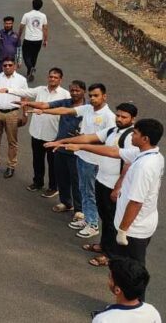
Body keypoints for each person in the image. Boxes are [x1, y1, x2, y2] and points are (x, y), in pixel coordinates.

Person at [58, 119, 163, 269]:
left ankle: (129, 291)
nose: (132, 135)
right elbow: (113, 151)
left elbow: (136, 202)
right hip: (134, 226)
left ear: (145, 139)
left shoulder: (144, 166)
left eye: (135, 133)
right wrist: (80, 146)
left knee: (132, 271)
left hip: (134, 230)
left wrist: (122, 230)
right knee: (123, 270)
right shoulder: (147, 154)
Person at [44, 103, 137, 264]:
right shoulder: (112, 131)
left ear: (133, 119)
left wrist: (118, 187)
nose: (119, 119)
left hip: (114, 185)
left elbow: (128, 164)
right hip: (102, 179)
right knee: (105, 218)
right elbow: (87, 138)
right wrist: (62, 141)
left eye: (124, 117)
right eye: (118, 115)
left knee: (112, 221)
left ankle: (109, 255)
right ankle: (104, 245)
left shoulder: (130, 137)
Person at [28, 84, 115, 238]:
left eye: (96, 95)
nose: (93, 98)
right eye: (91, 96)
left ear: (104, 96)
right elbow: (65, 110)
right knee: (82, 189)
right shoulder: (88, 108)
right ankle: (87, 219)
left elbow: (106, 141)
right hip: (81, 156)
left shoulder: (110, 117)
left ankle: (93, 224)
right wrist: (44, 111)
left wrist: (75, 144)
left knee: (89, 193)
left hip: (93, 161)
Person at [1, 68, 70, 197]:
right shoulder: (40, 90)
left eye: (55, 77)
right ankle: (38, 183)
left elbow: (71, 111)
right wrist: (8, 90)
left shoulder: (65, 95)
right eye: (50, 76)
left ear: (61, 79)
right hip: (37, 133)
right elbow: (25, 91)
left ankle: (53, 187)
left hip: (53, 135)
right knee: (37, 160)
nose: (52, 79)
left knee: (53, 163)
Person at [22, 80, 86, 215]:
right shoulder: (65, 102)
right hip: (60, 147)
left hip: (78, 151)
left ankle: (80, 209)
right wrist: (28, 103)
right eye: (72, 90)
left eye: (77, 90)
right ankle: (66, 203)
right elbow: (46, 105)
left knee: (76, 181)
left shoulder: (88, 108)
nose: (74, 93)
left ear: (83, 91)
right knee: (62, 178)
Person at [91, 258, 161, 322]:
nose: (108, 280)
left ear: (117, 290)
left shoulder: (103, 319)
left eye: (110, 277)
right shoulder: (152, 311)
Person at [19, 0, 48, 82]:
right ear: (41, 6)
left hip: (28, 39)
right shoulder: (43, 16)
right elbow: (45, 28)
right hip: (38, 39)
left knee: (25, 55)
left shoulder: (27, 15)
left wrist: (19, 36)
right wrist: (45, 40)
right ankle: (29, 72)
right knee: (34, 56)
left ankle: (30, 67)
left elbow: (21, 26)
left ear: (32, 5)